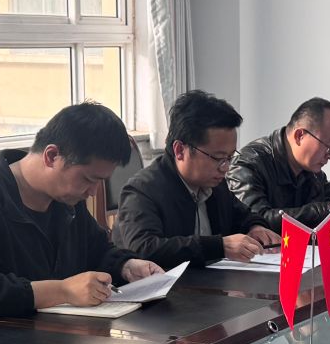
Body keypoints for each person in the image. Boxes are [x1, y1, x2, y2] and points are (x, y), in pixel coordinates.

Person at [0, 101, 162, 317]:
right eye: (89, 179)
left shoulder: (67, 200)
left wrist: (127, 266)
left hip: (51, 337)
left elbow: (97, 251)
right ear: (51, 156)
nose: (92, 192)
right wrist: (61, 291)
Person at [114, 90, 281, 268]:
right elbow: (144, 249)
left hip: (210, 281)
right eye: (218, 158)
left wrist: (255, 227)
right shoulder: (142, 191)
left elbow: (243, 215)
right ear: (180, 150)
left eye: (230, 157)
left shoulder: (214, 183)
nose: (225, 167)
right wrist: (219, 247)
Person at [227, 96, 330, 233]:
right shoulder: (248, 164)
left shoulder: (310, 169)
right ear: (300, 136)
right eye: (328, 146)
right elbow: (256, 220)